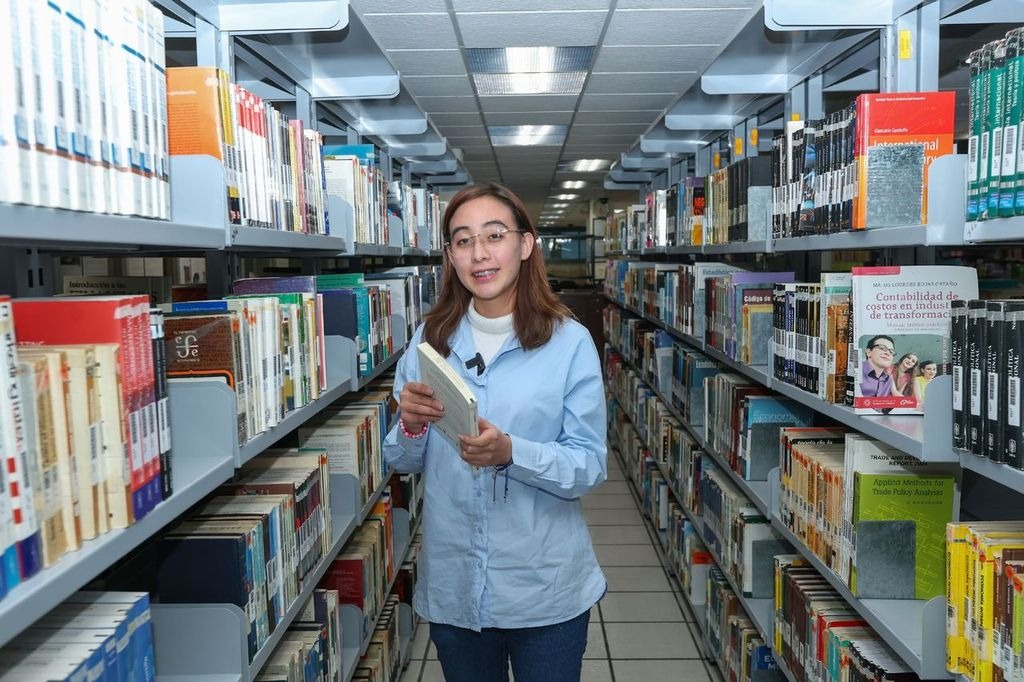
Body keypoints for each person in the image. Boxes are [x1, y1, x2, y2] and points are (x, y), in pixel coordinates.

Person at [382, 183, 608, 682]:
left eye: (494, 235)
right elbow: (400, 460)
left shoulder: (569, 342)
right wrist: (412, 427)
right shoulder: (428, 341)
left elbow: (589, 464)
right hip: (456, 588)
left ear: (525, 246)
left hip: (544, 590)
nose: (479, 254)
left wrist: (511, 453)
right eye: (462, 241)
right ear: (450, 255)